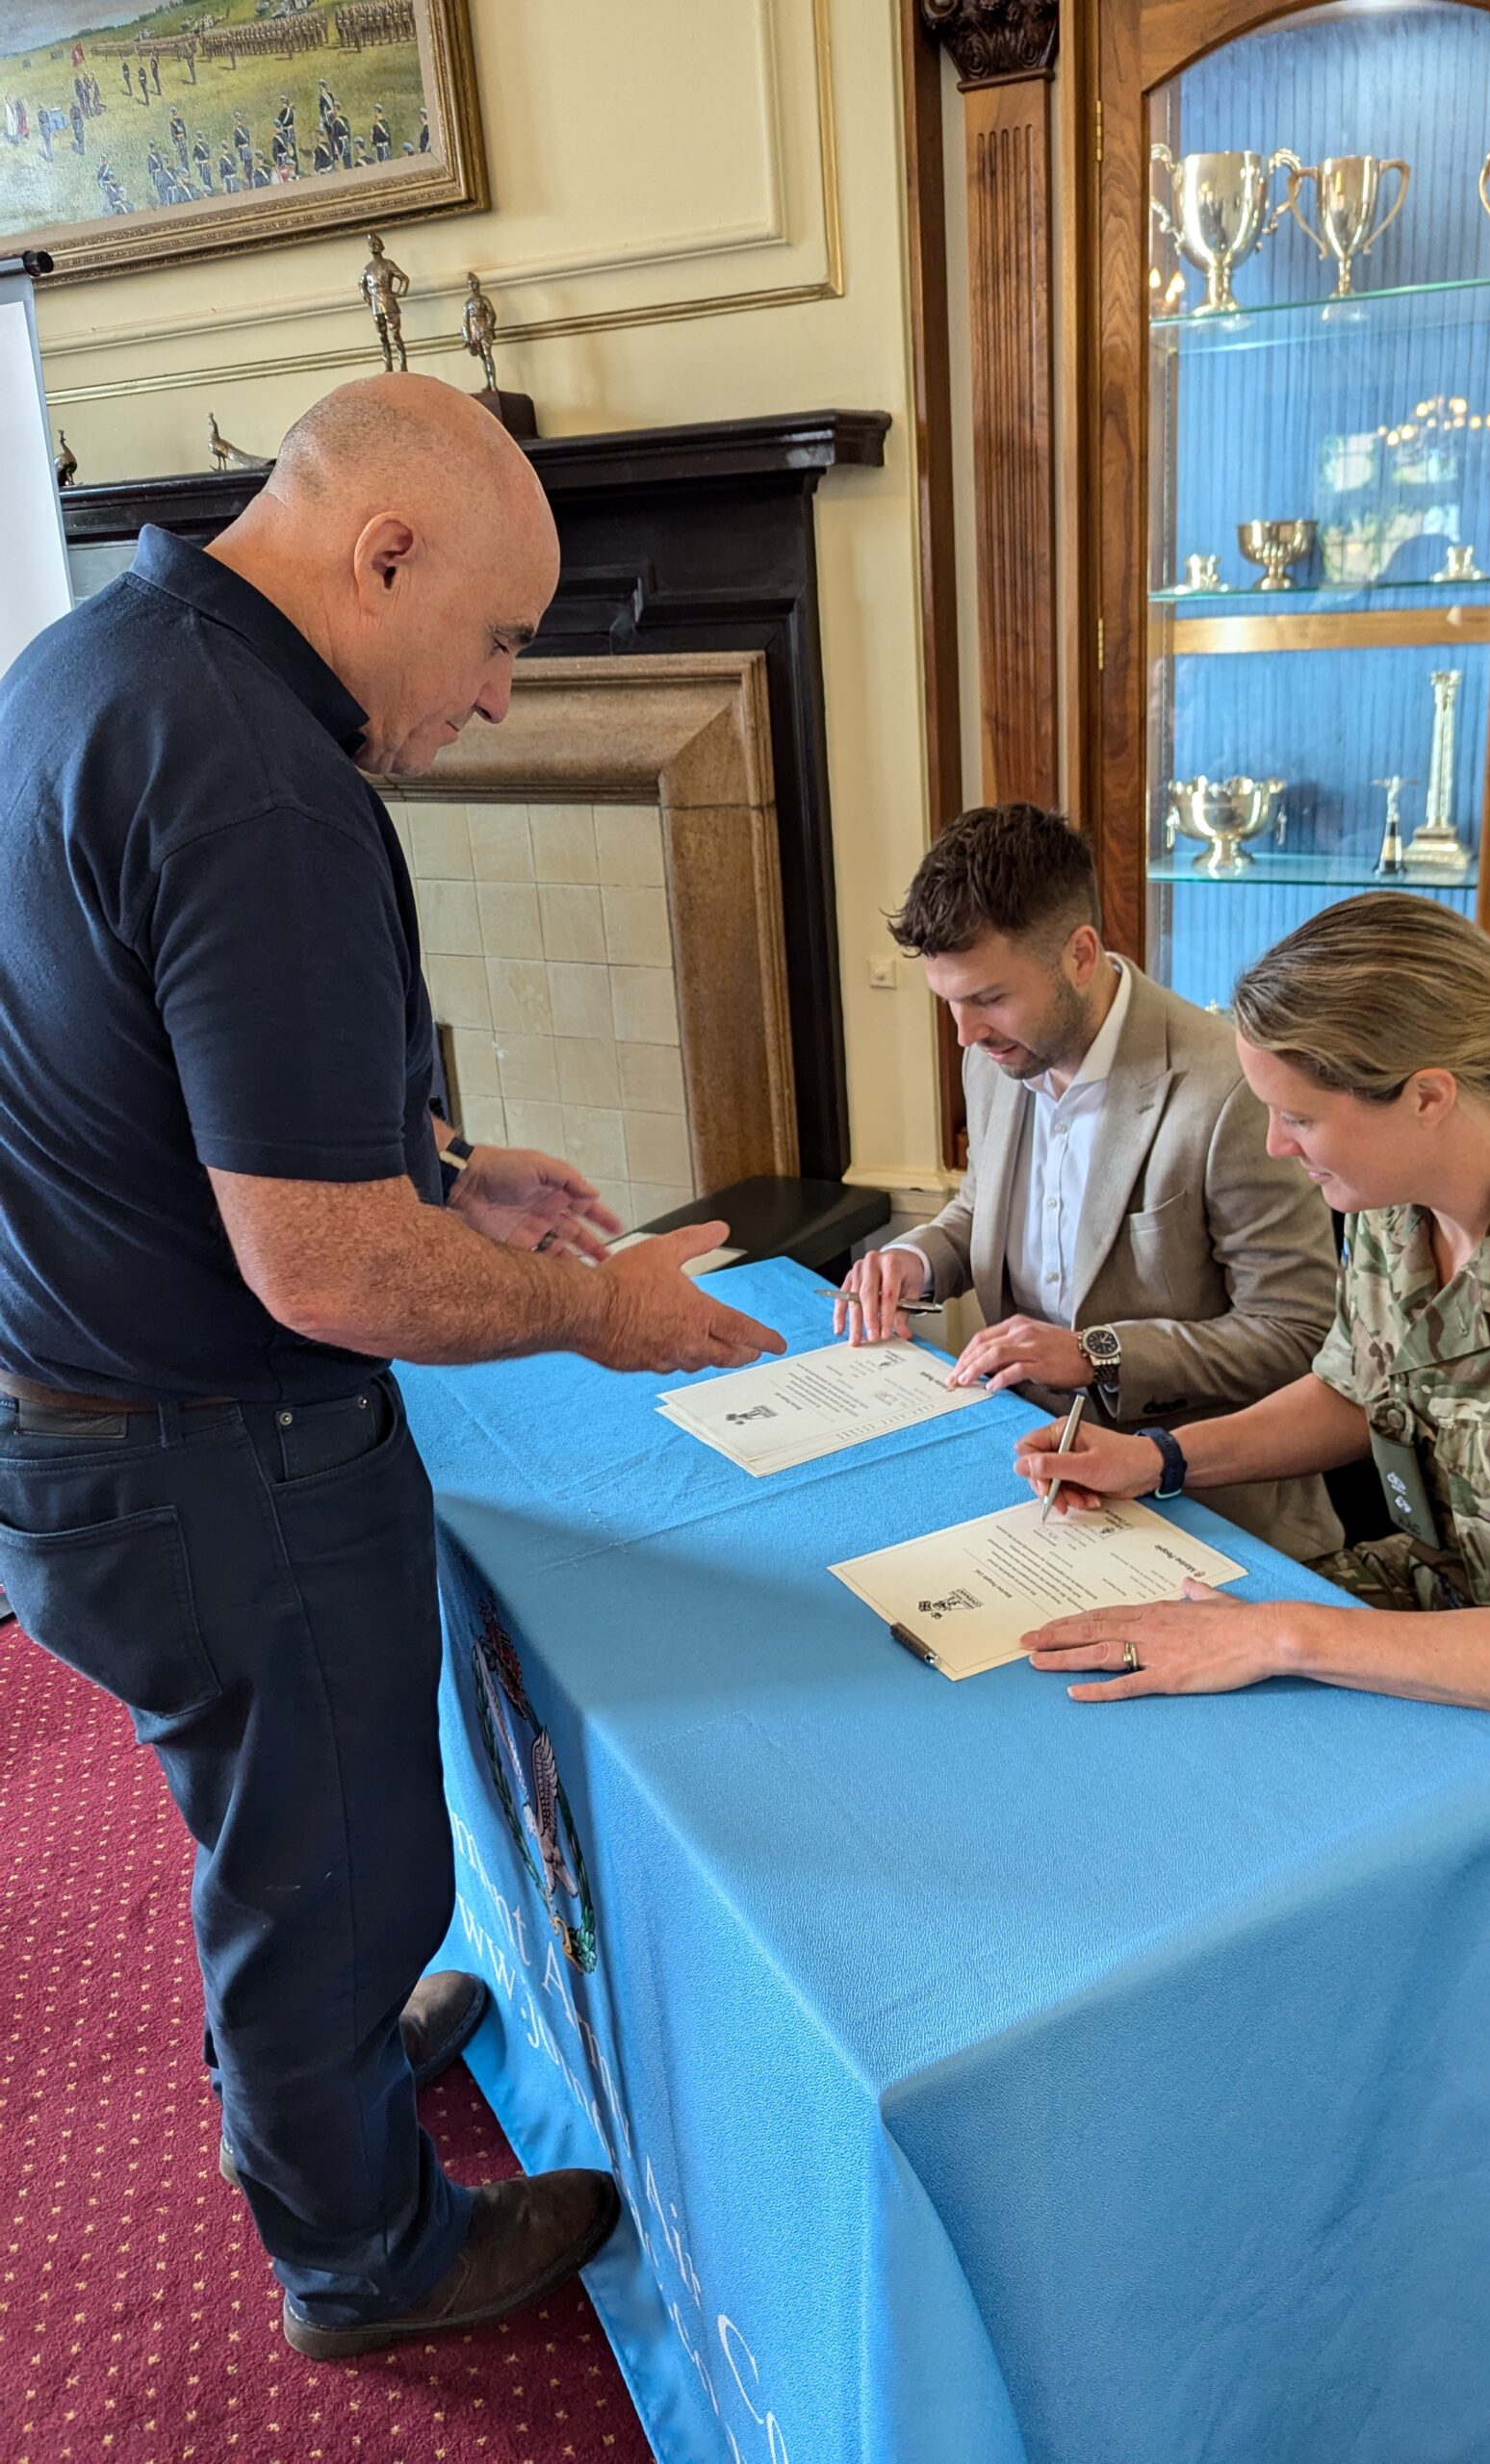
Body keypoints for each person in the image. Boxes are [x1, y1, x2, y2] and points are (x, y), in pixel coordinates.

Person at [0, 372, 784, 2361]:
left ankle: (324, 2057)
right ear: (388, 552)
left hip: (84, 1417)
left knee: (283, 1821)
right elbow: (326, 1265)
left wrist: (442, 1161)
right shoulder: (264, 778)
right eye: (505, 635)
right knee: (324, 1849)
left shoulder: (98, 659)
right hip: (212, 1450)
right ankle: (362, 2249)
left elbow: (155, 1074)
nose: (509, 691)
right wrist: (606, 1313)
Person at [1013, 892, 1490, 1869]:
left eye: (1297, 1116)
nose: (1273, 1147)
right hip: (1442, 1600)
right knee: (1150, 1715)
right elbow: (1355, 1390)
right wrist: (1159, 1458)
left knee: (1268, 1836)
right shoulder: (1393, 1191)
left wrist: (1283, 1637)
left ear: (1426, 1096)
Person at [838, 803, 1344, 1560]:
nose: (964, 1035)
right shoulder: (996, 1055)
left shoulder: (1230, 1089)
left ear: (1081, 954)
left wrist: (1099, 1353)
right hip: (1024, 1463)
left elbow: (1298, 1332)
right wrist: (915, 1259)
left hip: (1205, 1509)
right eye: (948, 1002)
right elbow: (983, 1207)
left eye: (988, 998)